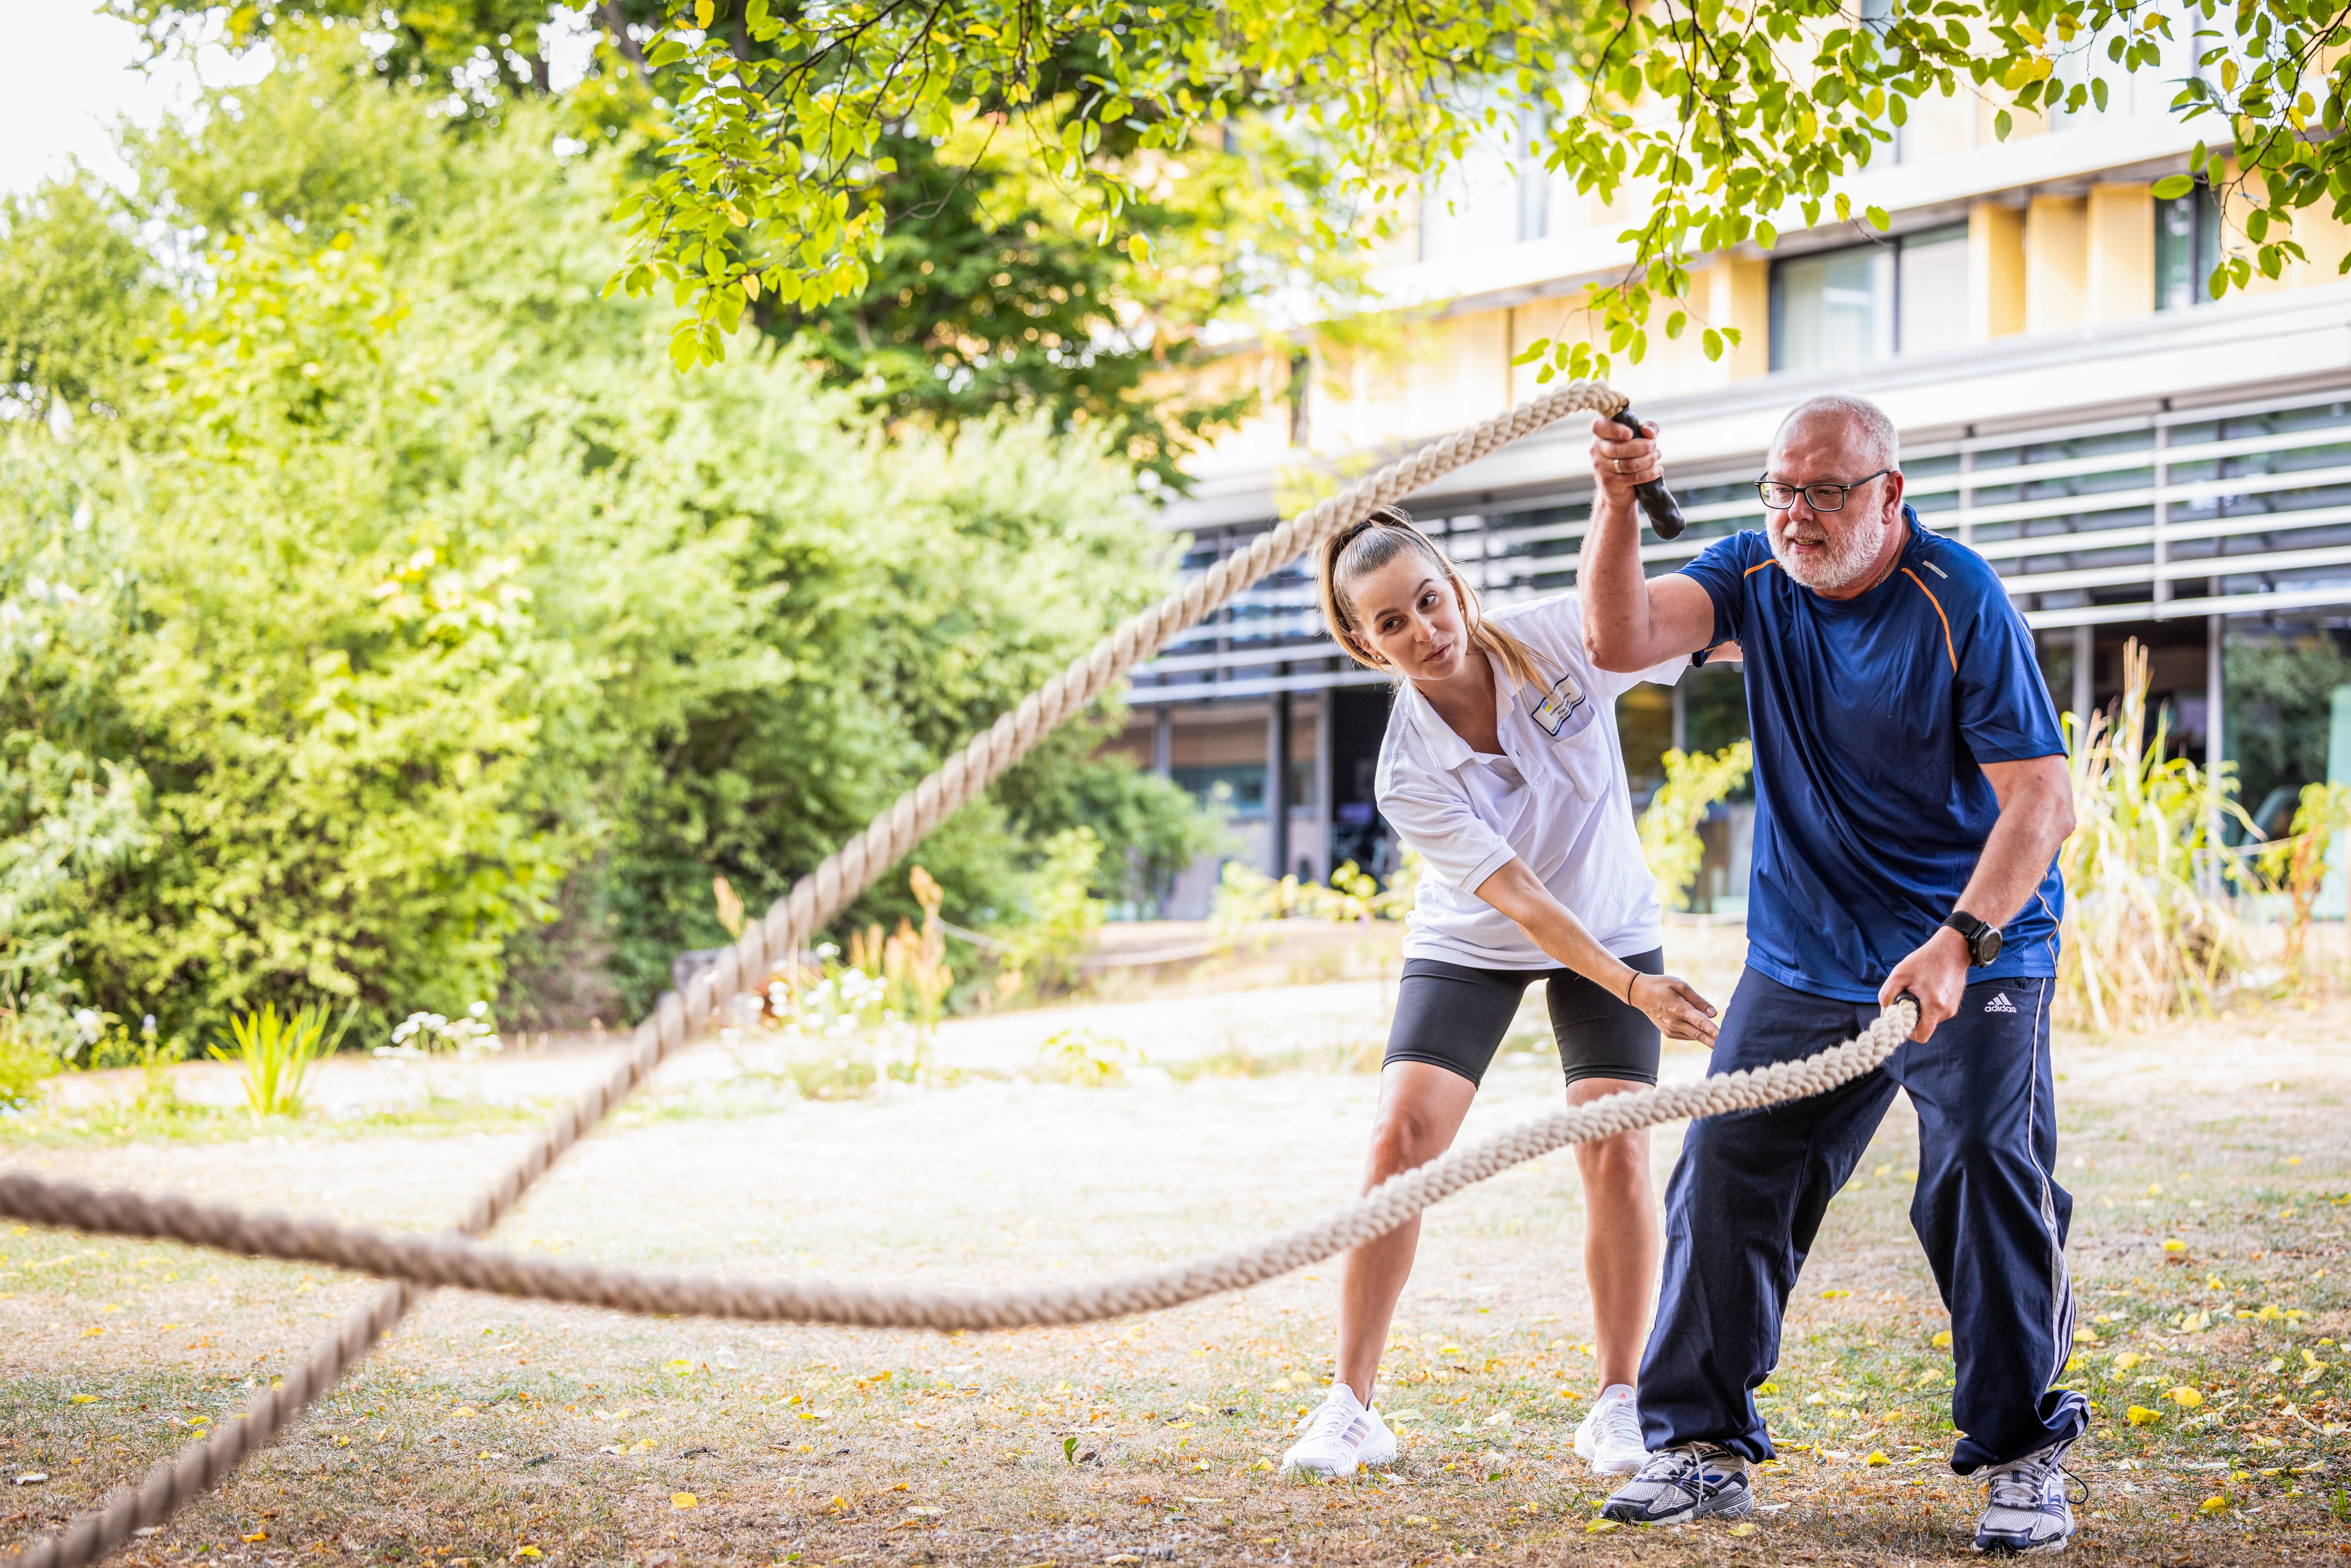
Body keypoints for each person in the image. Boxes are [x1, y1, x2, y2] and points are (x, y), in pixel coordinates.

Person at [1577, 396, 2086, 1553]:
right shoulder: (1754, 572)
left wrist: (1960, 938)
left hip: (1972, 942)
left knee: (1981, 1168)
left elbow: (2044, 800)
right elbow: (1619, 639)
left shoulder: (1956, 597)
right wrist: (1616, 502)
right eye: (1783, 490)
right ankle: (1700, 1444)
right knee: (1729, 1164)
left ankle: (2020, 1451)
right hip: (1807, 949)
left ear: (1889, 494)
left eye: (1828, 492)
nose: (1799, 516)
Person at [1280, 505, 1725, 1482]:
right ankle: (1351, 1404)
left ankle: (1619, 1399)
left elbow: (1700, 634)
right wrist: (1639, 989)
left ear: (1455, 582)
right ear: (1366, 640)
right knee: (1400, 1141)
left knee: (1615, 1143)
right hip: (1479, 937)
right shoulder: (1405, 768)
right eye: (1391, 623)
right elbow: (1519, 896)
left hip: (1608, 918)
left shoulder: (1562, 633)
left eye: (1429, 602)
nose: (1424, 631)